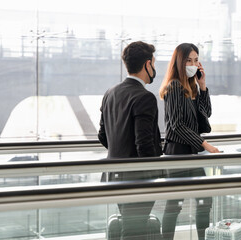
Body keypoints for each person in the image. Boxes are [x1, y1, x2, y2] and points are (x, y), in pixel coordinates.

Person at [98, 41, 162, 240]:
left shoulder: (111, 92)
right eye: (154, 63)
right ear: (147, 65)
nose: (155, 68)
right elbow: (144, 145)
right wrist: (158, 173)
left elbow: (102, 135)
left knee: (130, 227)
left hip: (115, 175)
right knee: (135, 231)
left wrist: (121, 151)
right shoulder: (145, 97)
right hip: (138, 178)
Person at [159, 43, 220, 240]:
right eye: (189, 60)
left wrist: (203, 88)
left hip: (191, 151)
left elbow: (206, 115)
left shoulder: (191, 87)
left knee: (204, 199)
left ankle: (203, 237)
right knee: (174, 203)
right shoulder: (175, 86)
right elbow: (176, 125)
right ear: (180, 62)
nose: (193, 64)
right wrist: (205, 144)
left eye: (196, 60)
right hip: (177, 151)